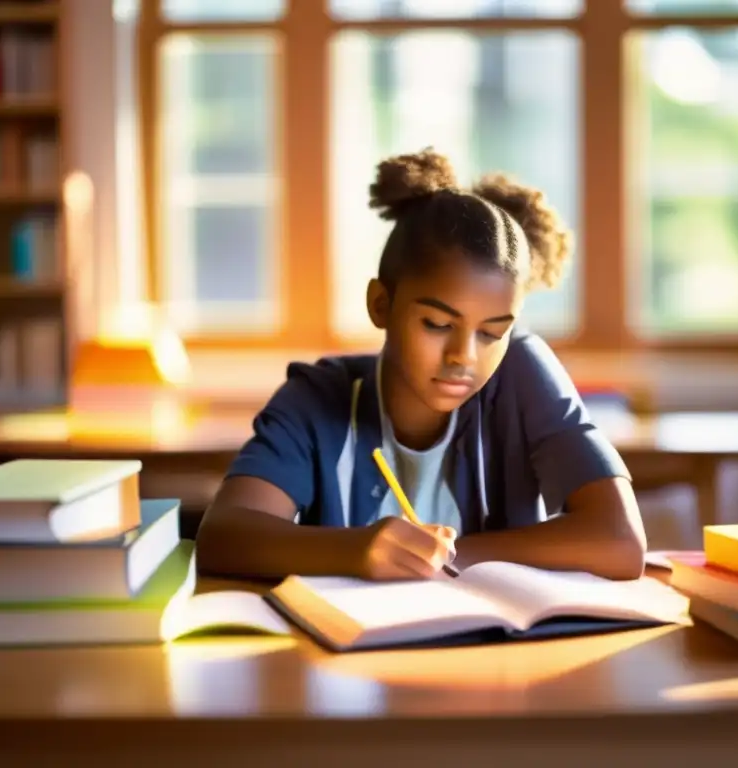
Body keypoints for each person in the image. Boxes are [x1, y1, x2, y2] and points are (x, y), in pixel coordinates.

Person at [196, 148, 646, 582]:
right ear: (380, 305)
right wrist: (355, 550)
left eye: (492, 332)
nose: (464, 356)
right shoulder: (317, 397)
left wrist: (446, 557)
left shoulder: (523, 373)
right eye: (436, 323)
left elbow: (621, 541)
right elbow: (222, 537)